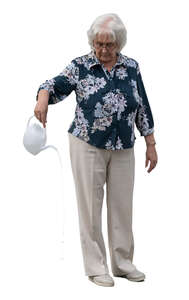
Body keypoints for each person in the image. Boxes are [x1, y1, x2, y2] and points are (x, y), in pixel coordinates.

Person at [34, 13, 158, 287]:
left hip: (124, 144)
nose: (103, 50)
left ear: (119, 44)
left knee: (122, 206)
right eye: (98, 44)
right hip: (87, 143)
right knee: (91, 207)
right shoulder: (80, 66)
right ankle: (96, 267)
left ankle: (123, 264)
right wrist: (42, 99)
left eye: (108, 45)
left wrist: (150, 143)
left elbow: (142, 106)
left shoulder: (131, 67)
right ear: (92, 43)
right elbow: (52, 86)